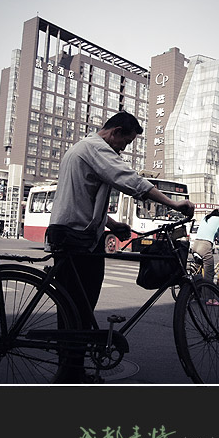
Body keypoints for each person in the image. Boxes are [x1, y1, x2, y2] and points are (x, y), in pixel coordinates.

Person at [48, 110, 194, 382]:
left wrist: (112, 224)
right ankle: (70, 373)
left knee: (73, 306)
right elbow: (132, 181)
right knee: (78, 307)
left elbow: (81, 198)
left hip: (69, 232)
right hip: (76, 236)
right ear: (115, 132)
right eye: (124, 143)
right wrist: (173, 204)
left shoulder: (81, 148)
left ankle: (71, 369)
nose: (122, 150)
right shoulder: (98, 149)